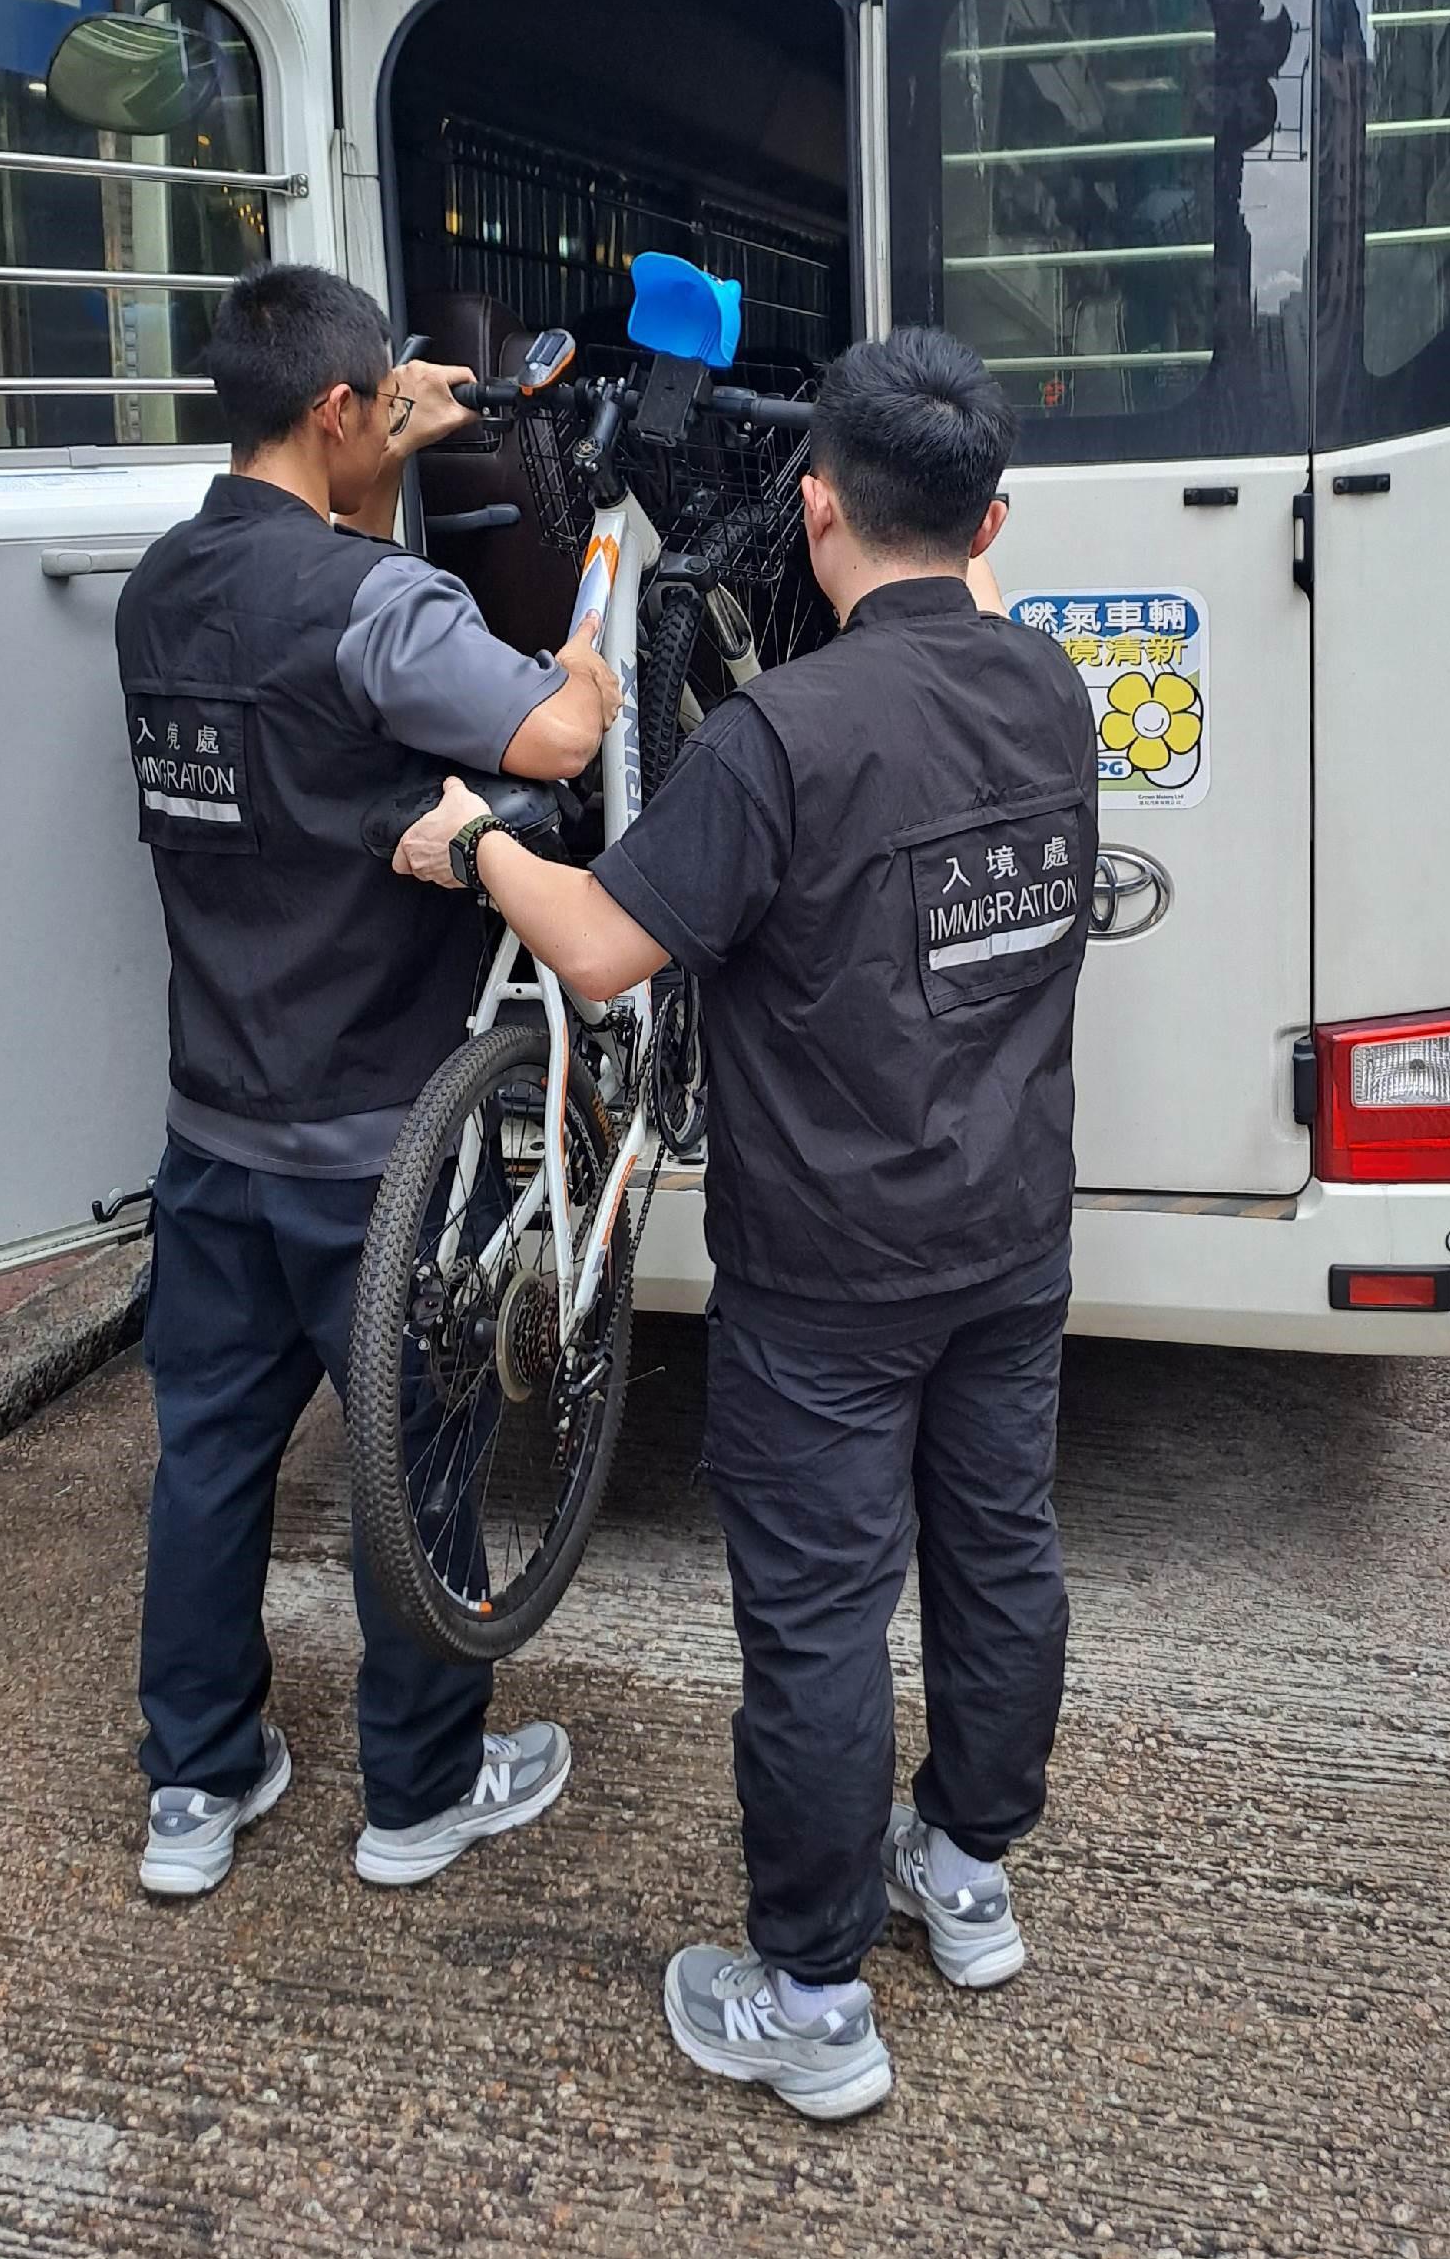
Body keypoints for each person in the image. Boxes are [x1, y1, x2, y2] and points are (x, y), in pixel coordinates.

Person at [392, 328, 1100, 2122]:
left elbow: (606, 944)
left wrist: (478, 843)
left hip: (830, 1270)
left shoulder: (781, 737)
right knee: (996, 1551)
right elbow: (966, 587)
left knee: (815, 1619)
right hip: (1009, 1234)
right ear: (993, 515)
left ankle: (810, 2000)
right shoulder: (1048, 696)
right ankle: (964, 1871)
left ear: (809, 511)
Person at [114, 262, 619, 1902]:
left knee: (207, 1457)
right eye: (378, 402)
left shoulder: (154, 592)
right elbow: (546, 737)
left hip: (212, 1122)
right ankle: (420, 1788)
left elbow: (301, 680)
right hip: (376, 1132)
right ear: (343, 409)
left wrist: (375, 453)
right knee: (424, 1460)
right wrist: (593, 658)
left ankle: (194, 1783)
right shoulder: (376, 603)